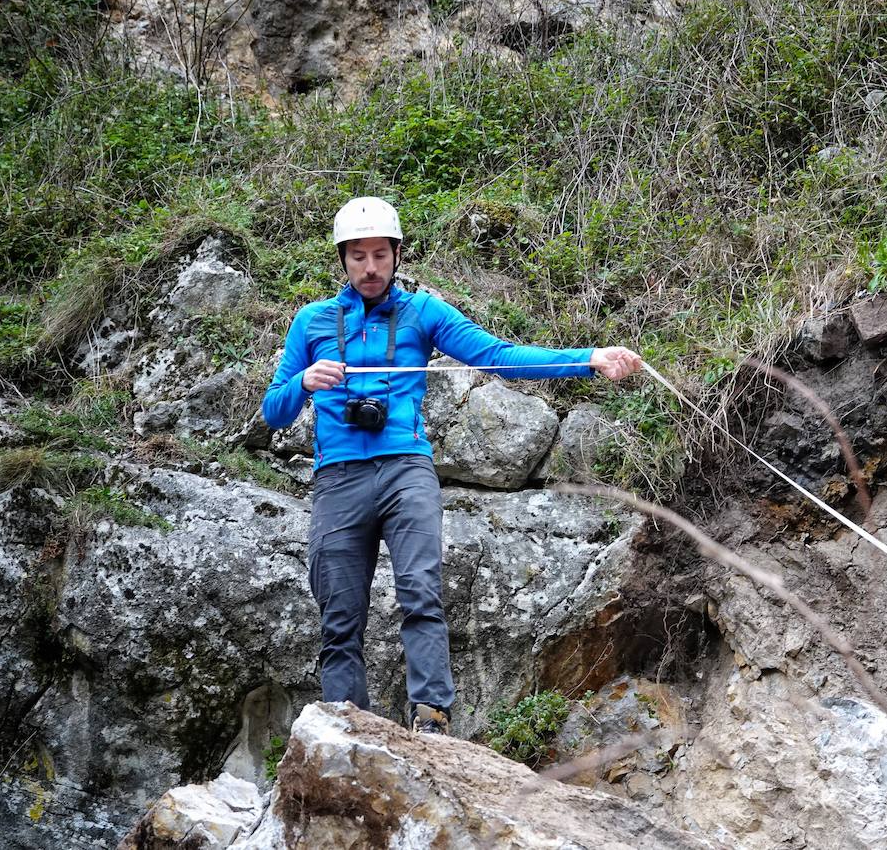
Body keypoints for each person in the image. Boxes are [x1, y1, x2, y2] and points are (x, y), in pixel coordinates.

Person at [261, 196, 643, 736]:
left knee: (421, 589)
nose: (370, 268)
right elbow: (272, 409)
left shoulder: (423, 313)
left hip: (406, 470)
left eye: (380, 255)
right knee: (339, 615)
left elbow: (499, 355)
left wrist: (589, 358)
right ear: (342, 259)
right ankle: (345, 730)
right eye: (357, 256)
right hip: (338, 477)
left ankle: (432, 717)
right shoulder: (313, 321)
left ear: (396, 254)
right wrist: (302, 382)